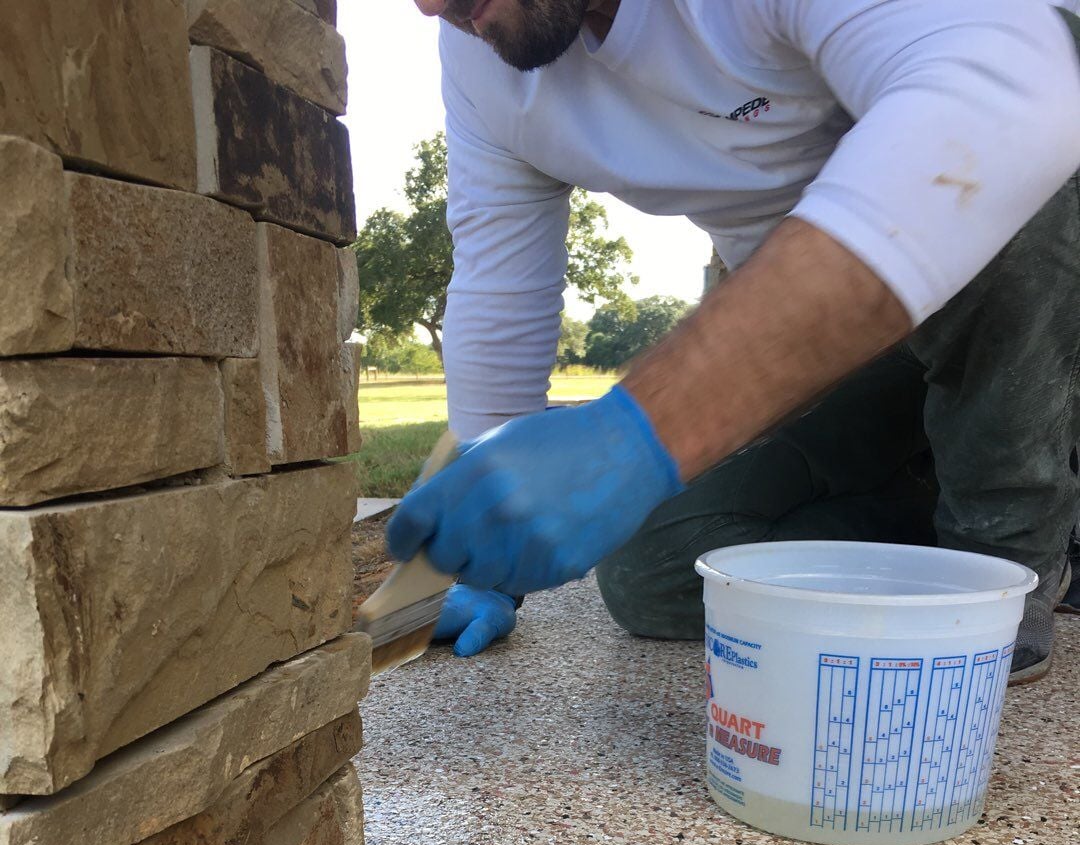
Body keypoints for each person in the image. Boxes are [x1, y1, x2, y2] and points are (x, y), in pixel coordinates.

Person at [390, 0, 1080, 682]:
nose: (427, 5)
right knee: (657, 567)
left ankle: (1007, 556)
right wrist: (479, 546)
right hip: (844, 337)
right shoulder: (480, 58)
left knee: (995, 176)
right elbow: (499, 283)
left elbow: (1005, 89)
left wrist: (641, 432)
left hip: (1032, 303)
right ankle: (971, 501)